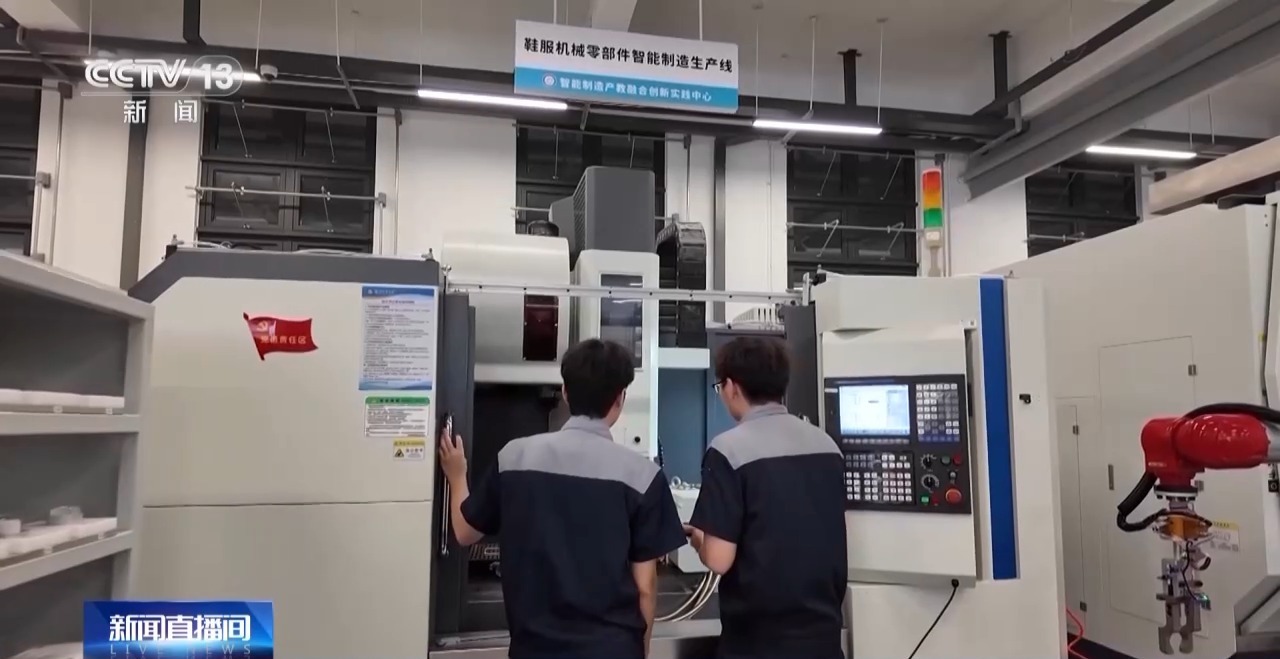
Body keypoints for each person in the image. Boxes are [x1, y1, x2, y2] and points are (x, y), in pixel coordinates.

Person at [438, 338, 686, 659]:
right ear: (620, 399)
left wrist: (457, 475)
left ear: (566, 392)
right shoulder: (643, 476)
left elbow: (464, 531)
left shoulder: (514, 457)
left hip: (534, 649)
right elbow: (646, 588)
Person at [685, 336, 848, 659]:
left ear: (732, 387)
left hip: (758, 643)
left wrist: (699, 539)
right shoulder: (827, 445)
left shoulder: (728, 450)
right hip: (823, 639)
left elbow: (718, 559)